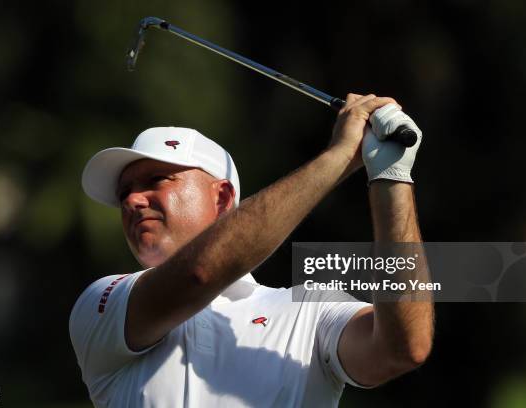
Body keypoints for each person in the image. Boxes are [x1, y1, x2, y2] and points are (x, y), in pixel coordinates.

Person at [69, 94, 434, 407]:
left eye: (156, 180)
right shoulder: (103, 301)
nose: (132, 199)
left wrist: (392, 178)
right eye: (124, 193)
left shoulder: (309, 310)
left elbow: (403, 348)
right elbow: (200, 274)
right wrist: (339, 157)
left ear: (223, 198)